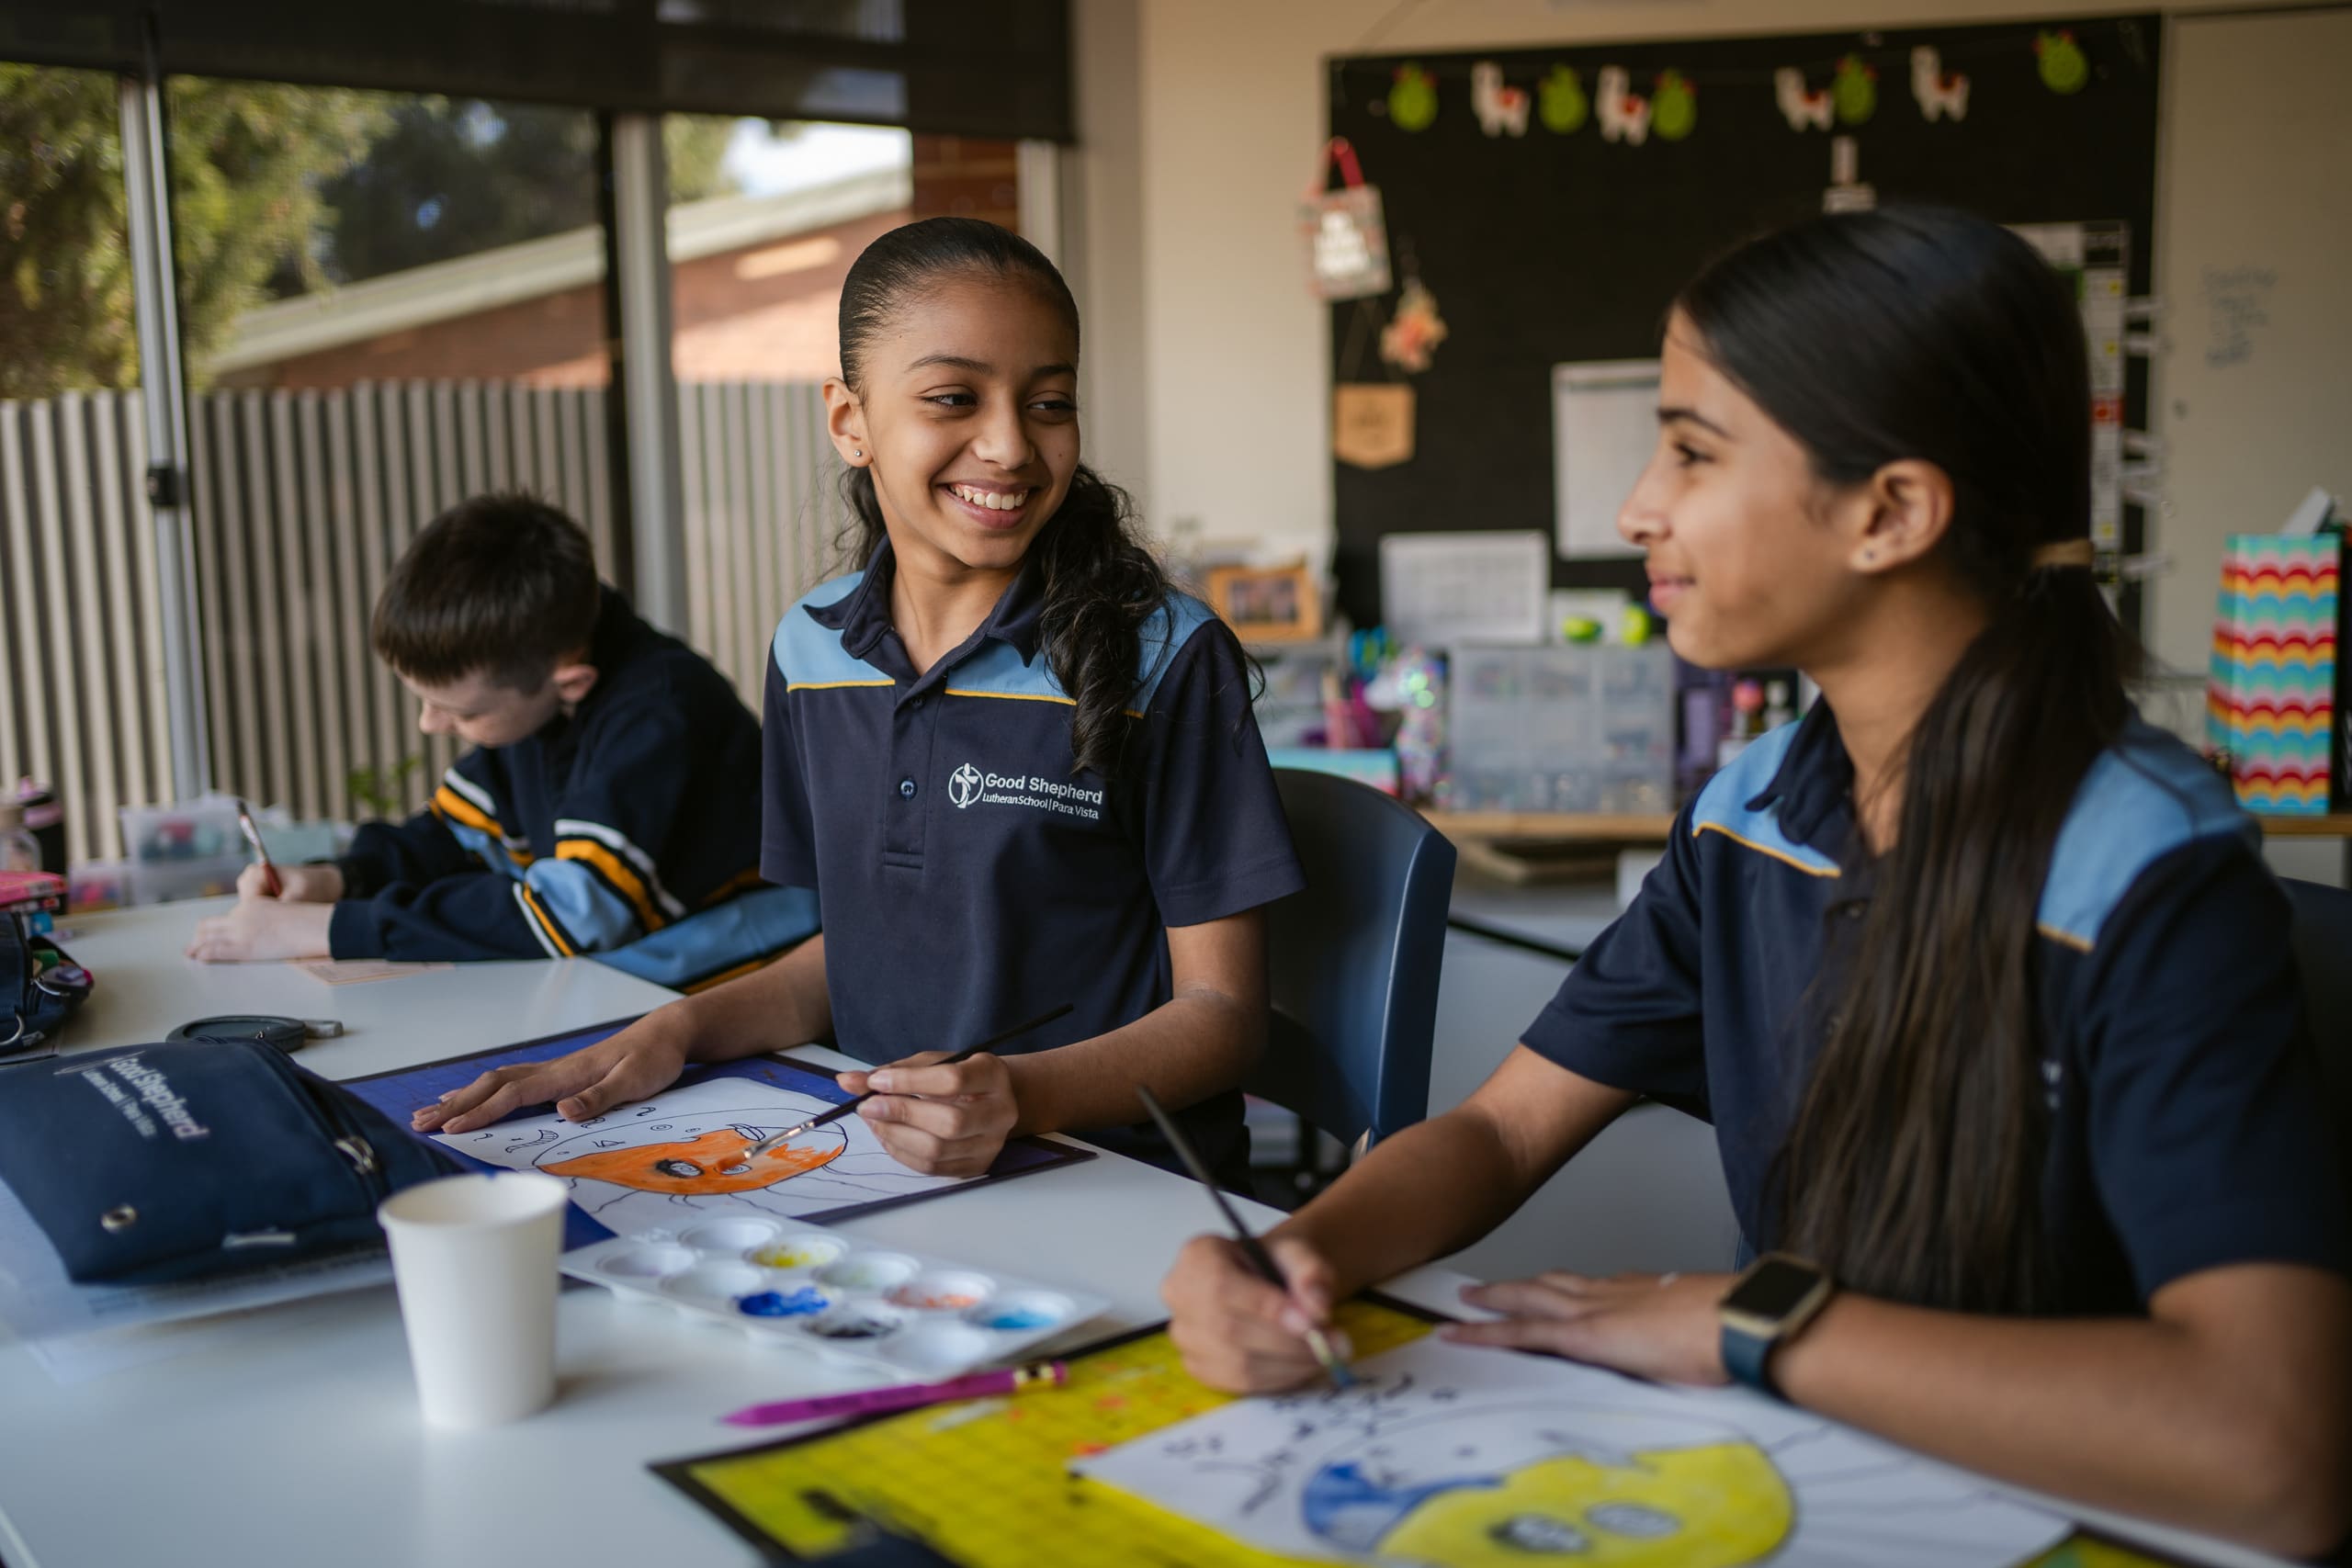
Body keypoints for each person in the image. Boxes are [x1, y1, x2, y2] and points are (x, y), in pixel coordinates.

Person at [1159, 208, 2352, 1557]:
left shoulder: (2143, 865)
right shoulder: (1756, 810)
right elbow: (1498, 1132)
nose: (1636, 510)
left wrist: (1743, 1318)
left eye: (1690, 450)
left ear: (1890, 510)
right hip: (1827, 1475)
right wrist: (1298, 1255)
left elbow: (2273, 1448)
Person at [417, 218, 1304, 1184]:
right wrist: (679, 1025)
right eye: (953, 398)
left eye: (1049, 403)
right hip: (877, 1172)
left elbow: (1223, 1019)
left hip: (1119, 1186)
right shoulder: (810, 649)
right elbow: (850, 952)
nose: (1009, 444)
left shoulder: (1167, 657)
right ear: (850, 422)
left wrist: (1021, 1095)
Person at [187, 492, 814, 989]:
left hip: (742, 979)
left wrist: (323, 929)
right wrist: (338, 881)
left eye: (457, 712)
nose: (430, 724)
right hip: (622, 977)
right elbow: (454, 836)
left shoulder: (661, 715)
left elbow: (570, 917)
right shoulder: (539, 694)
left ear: (570, 683)